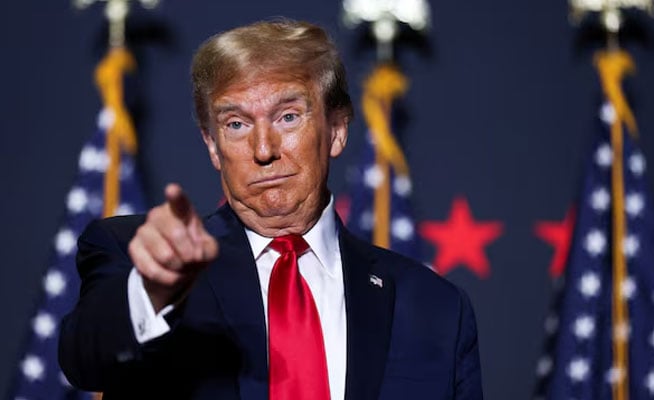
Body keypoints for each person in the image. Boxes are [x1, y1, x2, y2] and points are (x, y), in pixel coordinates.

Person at [59, 19, 483, 400]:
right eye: (236, 124)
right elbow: (83, 358)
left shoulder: (436, 309)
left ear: (336, 130)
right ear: (212, 146)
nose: (263, 150)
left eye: (288, 117)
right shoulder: (135, 256)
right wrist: (154, 288)